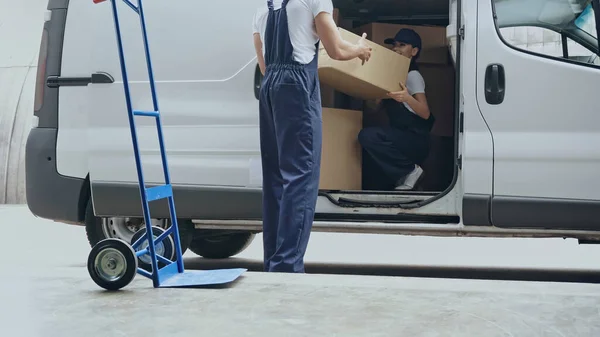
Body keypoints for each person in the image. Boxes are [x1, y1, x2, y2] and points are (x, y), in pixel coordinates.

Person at [252, 0, 372, 273]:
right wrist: (360, 49)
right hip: (296, 84)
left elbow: (262, 64)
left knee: (276, 179)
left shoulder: (262, 5)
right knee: (300, 176)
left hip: (270, 85)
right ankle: (287, 266)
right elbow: (337, 49)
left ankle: (274, 262)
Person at [358, 28, 435, 191]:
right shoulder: (392, 74)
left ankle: (411, 171)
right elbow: (373, 109)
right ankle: (406, 177)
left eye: (402, 45)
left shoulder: (412, 75)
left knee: (368, 136)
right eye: (394, 45)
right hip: (400, 137)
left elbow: (425, 113)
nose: (395, 49)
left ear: (414, 51)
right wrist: (375, 94)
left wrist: (407, 98)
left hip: (416, 139)